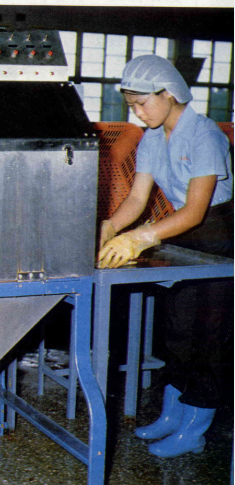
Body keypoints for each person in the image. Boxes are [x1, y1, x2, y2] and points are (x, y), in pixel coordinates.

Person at [97, 54, 233, 458]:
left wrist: (140, 238)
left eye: (141, 104)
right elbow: (137, 198)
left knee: (210, 335)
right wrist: (110, 227)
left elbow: (195, 210)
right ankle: (173, 413)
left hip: (220, 232)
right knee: (177, 327)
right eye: (131, 106)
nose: (137, 114)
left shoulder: (205, 134)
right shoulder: (154, 136)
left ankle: (195, 428)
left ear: (169, 94)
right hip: (181, 233)